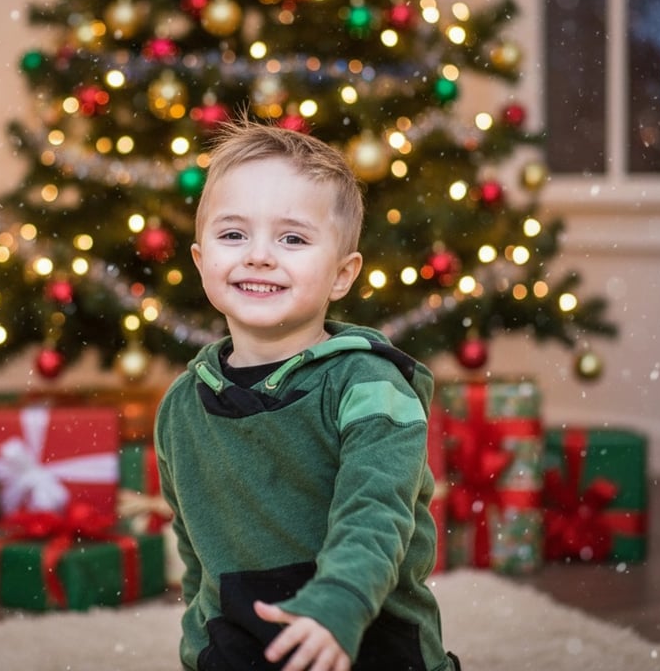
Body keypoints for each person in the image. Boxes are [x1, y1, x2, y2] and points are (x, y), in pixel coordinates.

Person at [154, 120, 459, 671]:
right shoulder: (181, 405)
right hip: (238, 642)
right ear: (201, 263)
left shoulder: (369, 387)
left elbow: (376, 512)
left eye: (292, 238)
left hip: (369, 637)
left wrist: (337, 602)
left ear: (342, 275)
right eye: (233, 234)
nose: (259, 256)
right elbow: (196, 553)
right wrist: (200, 645)